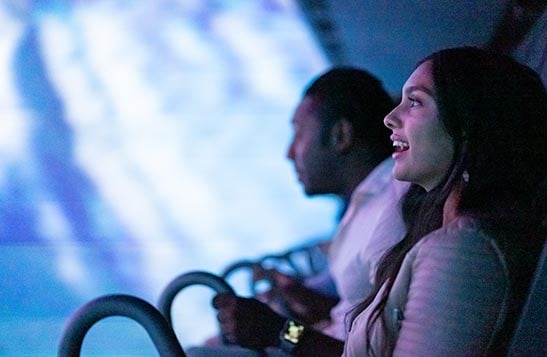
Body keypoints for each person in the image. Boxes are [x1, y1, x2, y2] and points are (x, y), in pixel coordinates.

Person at [186, 67, 408, 356]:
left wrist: (277, 330)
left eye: (299, 133)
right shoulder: (366, 203)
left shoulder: (389, 211)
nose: (289, 152)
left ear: (341, 135)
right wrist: (298, 296)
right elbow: (354, 309)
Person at [340, 47, 547, 356]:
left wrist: (285, 336)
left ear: (466, 126)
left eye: (414, 102)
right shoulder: (442, 233)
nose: (389, 118)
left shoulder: (462, 251)